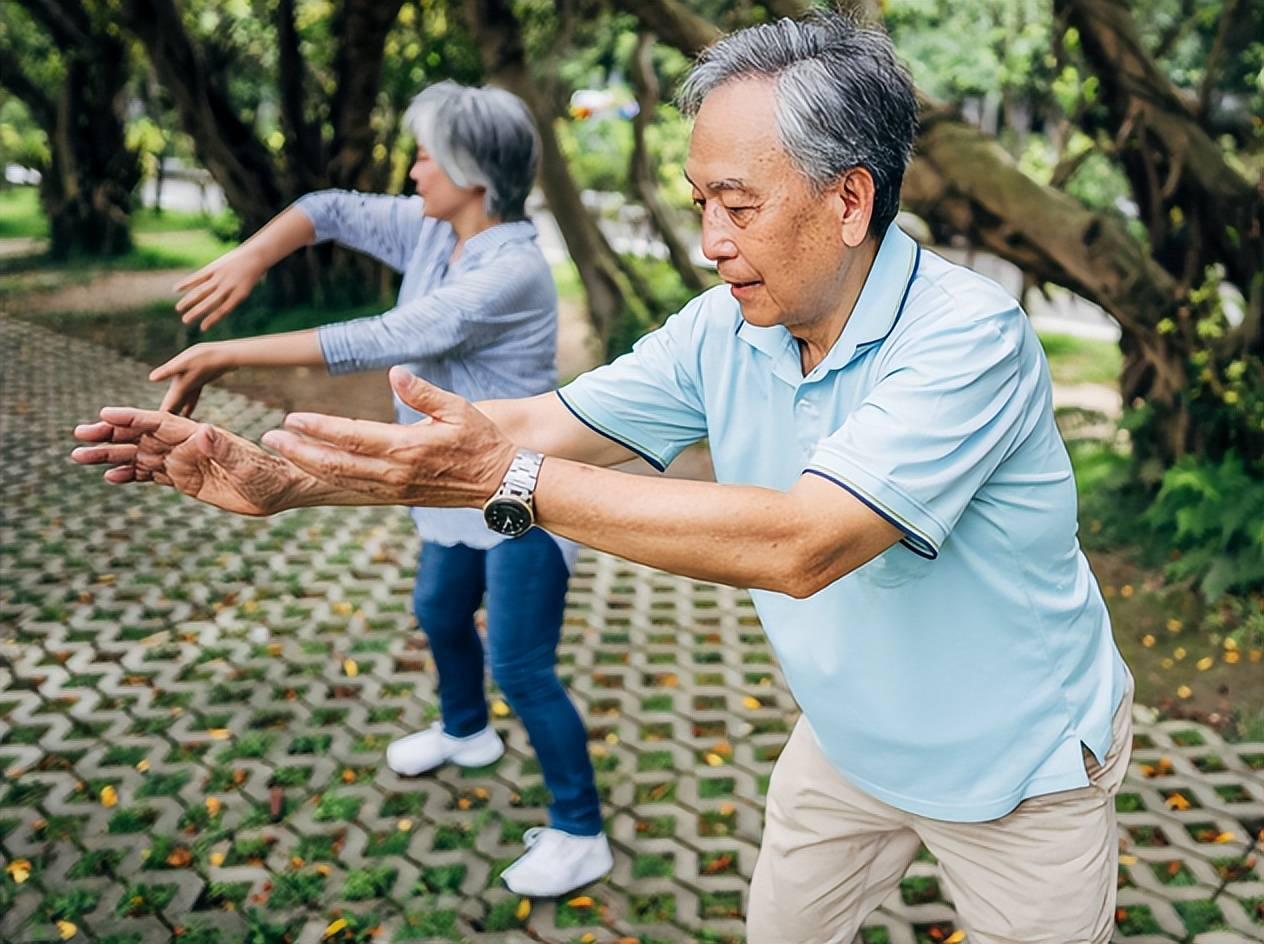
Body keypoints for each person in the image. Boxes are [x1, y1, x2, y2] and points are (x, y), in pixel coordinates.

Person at [74, 13, 1133, 942]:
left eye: (736, 204)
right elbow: (536, 426)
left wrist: (515, 478)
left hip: (1019, 771)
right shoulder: (726, 326)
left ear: (849, 198)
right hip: (848, 742)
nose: (710, 241)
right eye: (697, 202)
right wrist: (292, 481)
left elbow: (800, 543)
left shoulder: (970, 339)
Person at [141, 80, 612, 897]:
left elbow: (399, 334)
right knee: (436, 611)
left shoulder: (514, 268)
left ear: (471, 172)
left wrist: (223, 355)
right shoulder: (435, 229)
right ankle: (466, 732)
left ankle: (581, 829)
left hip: (515, 492)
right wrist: (253, 255)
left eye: (428, 154)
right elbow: (326, 208)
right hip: (441, 486)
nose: (414, 168)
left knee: (523, 664)